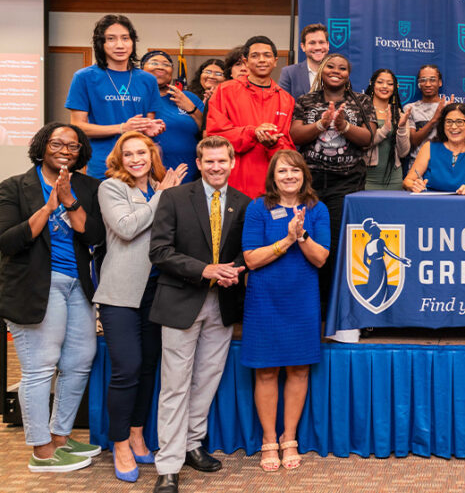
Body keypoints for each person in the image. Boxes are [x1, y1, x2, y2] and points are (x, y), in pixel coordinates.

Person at [148, 135, 250, 493]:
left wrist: (233, 269)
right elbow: (159, 252)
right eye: (209, 162)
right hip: (181, 301)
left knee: (207, 379)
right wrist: (205, 269)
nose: (216, 167)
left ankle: (192, 443)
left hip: (221, 304)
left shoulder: (243, 203)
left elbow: (245, 254)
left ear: (232, 162)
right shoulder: (174, 198)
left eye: (222, 161)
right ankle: (169, 465)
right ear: (199, 162)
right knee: (175, 385)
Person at [0, 123, 103, 472]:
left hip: (79, 286)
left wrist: (70, 199)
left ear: (80, 153)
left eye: (73, 146)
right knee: (40, 368)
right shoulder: (15, 186)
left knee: (79, 361)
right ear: (43, 146)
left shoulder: (89, 186)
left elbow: (94, 236)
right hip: (36, 287)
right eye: (57, 143)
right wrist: (49, 205)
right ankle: (41, 450)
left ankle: (60, 436)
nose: (65, 150)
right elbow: (9, 241)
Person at [94, 132, 186, 482]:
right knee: (127, 368)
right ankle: (119, 443)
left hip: (158, 290)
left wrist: (168, 193)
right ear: (120, 158)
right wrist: (163, 196)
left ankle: (136, 432)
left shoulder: (164, 187)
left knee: (148, 367)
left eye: (142, 152)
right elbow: (127, 227)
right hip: (120, 294)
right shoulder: (112, 189)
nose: (136, 159)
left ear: (152, 155)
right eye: (128, 153)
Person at [241, 150, 329, 472]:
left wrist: (301, 235)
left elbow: (320, 258)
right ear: (273, 177)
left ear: (304, 174)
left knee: (299, 370)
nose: (289, 176)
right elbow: (251, 259)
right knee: (265, 371)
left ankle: (289, 437)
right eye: (282, 171)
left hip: (302, 299)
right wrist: (287, 241)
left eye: (295, 170)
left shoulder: (316, 210)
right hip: (265, 300)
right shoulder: (257, 208)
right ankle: (268, 440)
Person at [290, 52, 375, 309]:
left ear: (349, 75)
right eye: (331, 67)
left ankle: (332, 305)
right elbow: (295, 135)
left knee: (336, 244)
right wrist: (321, 124)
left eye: (343, 68)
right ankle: (308, 302)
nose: (336, 71)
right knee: (308, 239)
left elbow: (368, 138)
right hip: (311, 184)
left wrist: (343, 126)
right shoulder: (306, 100)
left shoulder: (361, 101)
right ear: (322, 71)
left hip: (346, 183)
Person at [66, 14, 163, 178]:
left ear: (132, 42)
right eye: (111, 39)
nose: (120, 45)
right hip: (103, 166)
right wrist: (122, 128)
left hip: (139, 165)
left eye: (125, 38)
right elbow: (78, 127)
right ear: (101, 44)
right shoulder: (84, 77)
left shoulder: (148, 80)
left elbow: (147, 122)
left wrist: (150, 128)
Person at [205, 35, 296, 199]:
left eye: (267, 55)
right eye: (255, 55)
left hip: (271, 187)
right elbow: (215, 136)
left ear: (275, 61)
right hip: (232, 184)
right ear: (245, 62)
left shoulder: (286, 100)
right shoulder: (225, 91)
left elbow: (287, 147)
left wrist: (273, 143)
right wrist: (252, 133)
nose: (261, 60)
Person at [141, 50, 205, 182]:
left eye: (166, 64)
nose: (160, 67)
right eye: (154, 62)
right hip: (148, 177)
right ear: (141, 69)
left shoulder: (188, 97)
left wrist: (191, 108)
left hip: (190, 176)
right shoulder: (135, 97)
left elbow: (207, 130)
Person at [403, 103, 465, 194]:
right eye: (449, 122)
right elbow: (408, 181)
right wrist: (414, 185)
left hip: (462, 204)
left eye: (459, 122)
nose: (454, 127)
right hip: (429, 203)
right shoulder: (429, 147)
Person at [363, 68, 410, 190]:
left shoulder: (400, 114)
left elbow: (403, 152)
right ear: (371, 83)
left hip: (394, 178)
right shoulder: (362, 111)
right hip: (366, 177)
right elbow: (362, 144)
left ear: (395, 87)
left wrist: (401, 128)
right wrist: (385, 129)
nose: (385, 86)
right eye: (380, 82)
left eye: (390, 84)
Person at [406, 64, 449, 159]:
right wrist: (434, 119)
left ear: (440, 82)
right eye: (423, 80)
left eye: (432, 80)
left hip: (443, 164)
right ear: (419, 83)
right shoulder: (410, 108)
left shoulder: (449, 107)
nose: (428, 84)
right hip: (417, 164)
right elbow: (413, 141)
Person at [279, 23, 329, 100]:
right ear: (303, 47)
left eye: (321, 42)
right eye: (312, 43)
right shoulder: (289, 73)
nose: (318, 47)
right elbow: (282, 105)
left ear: (328, 45)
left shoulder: (337, 72)